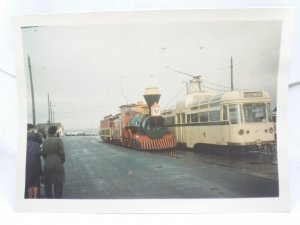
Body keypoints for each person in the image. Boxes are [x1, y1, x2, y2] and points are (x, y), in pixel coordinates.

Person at [42, 126, 65, 199]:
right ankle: (58, 199)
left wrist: (47, 159)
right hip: (57, 162)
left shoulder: (45, 140)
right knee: (58, 182)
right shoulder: (59, 140)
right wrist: (62, 160)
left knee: (48, 182)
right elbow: (62, 152)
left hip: (48, 162)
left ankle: (48, 199)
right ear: (55, 132)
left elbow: (44, 153)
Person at [25, 124, 43, 198]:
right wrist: (36, 134)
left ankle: (29, 197)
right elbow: (40, 142)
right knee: (35, 182)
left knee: (28, 182)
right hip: (35, 164)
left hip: (26, 164)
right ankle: (35, 197)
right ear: (31, 129)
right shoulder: (36, 143)